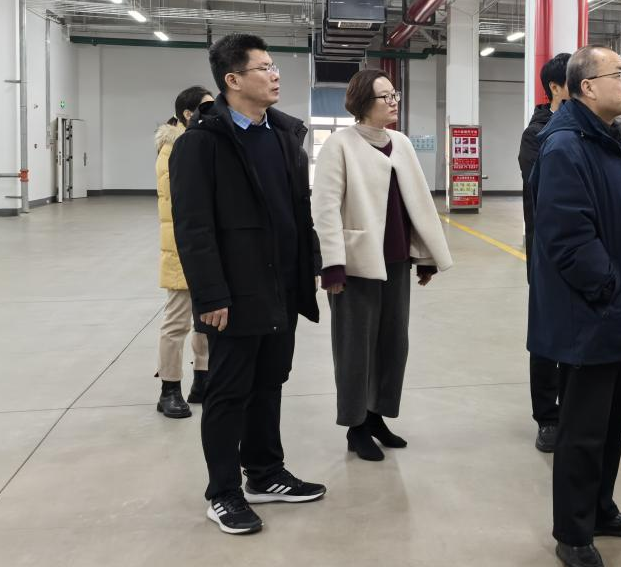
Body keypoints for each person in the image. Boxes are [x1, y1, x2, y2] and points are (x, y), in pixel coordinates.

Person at [170, 33, 326, 536]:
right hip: (234, 294)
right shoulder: (201, 144)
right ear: (233, 80)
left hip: (281, 286)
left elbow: (298, 213)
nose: (275, 74)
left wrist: (311, 265)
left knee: (269, 383)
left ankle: (264, 473)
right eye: (264, 67)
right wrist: (211, 294)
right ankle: (223, 493)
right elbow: (193, 228)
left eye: (274, 65)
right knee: (228, 393)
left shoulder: (282, 135)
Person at [527, 45, 621, 567]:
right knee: (582, 432)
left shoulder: (607, 142)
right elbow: (568, 237)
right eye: (619, 74)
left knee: (613, 424)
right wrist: (607, 289)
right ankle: (573, 533)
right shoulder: (566, 146)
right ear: (586, 87)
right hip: (592, 318)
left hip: (619, 315)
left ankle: (600, 509)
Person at [312, 69, 453, 461]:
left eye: (395, 95)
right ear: (362, 103)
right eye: (385, 97)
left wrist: (424, 256)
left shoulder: (401, 143)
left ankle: (375, 416)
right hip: (355, 265)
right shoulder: (339, 145)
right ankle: (355, 426)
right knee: (354, 348)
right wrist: (331, 265)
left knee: (393, 345)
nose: (393, 102)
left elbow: (417, 203)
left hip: (396, 262)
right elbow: (324, 209)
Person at [517, 52, 571, 453]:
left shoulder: (596, 130)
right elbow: (548, 195)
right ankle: (547, 417)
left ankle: (573, 409)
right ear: (555, 87)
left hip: (588, 253)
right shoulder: (537, 135)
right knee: (548, 335)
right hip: (549, 252)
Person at [153, 86, 214, 419]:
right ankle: (169, 389)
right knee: (177, 322)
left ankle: (202, 380)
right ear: (189, 114)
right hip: (181, 248)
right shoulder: (173, 149)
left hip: (203, 247)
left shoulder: (197, 144)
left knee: (207, 320)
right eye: (208, 108)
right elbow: (182, 204)